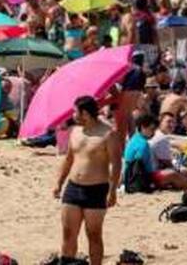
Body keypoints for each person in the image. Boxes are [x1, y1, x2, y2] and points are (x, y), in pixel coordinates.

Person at [54, 96, 122, 265]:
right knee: (68, 233)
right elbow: (69, 159)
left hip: (97, 189)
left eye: (75, 111)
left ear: (85, 113)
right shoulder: (75, 131)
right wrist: (58, 183)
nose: (73, 115)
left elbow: (116, 164)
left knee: (93, 235)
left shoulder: (108, 133)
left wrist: (112, 191)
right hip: (73, 188)